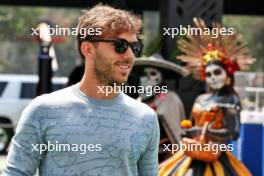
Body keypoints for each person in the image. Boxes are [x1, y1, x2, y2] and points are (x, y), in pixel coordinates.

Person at [3, 4, 160, 176]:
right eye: (120, 45)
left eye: (135, 47)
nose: (130, 55)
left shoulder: (146, 117)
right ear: (88, 49)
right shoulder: (43, 110)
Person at [159, 18, 255, 175]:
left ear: (228, 75)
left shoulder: (231, 99)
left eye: (217, 72)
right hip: (191, 153)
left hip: (216, 155)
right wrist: (188, 131)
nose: (213, 77)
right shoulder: (200, 99)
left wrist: (207, 132)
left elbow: (234, 133)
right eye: (209, 74)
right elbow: (188, 125)